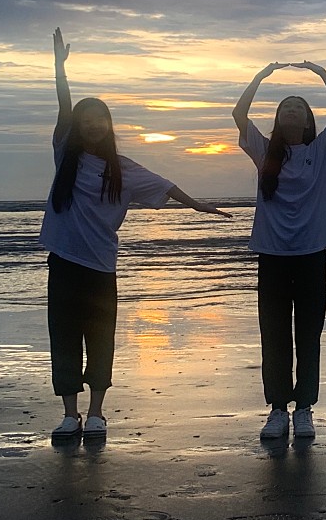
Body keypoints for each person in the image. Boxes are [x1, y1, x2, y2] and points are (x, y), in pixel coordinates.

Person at [38, 28, 228, 442]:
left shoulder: (122, 168)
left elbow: (165, 184)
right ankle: (70, 415)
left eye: (99, 120)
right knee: (64, 338)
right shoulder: (64, 155)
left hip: (101, 267)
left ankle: (97, 413)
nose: (91, 126)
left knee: (100, 338)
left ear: (108, 125)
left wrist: (197, 205)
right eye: (85, 121)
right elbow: (62, 110)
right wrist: (60, 71)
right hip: (64, 263)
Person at [232, 61, 326, 440]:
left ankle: (304, 409)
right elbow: (238, 113)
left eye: (298, 107)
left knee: (308, 333)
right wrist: (260, 77)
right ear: (279, 118)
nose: (292, 111)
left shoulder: (321, 149)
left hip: (312, 253)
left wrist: (321, 74)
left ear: (307, 118)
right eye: (285, 107)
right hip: (272, 255)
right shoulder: (264, 151)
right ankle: (278, 409)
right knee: (275, 333)